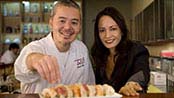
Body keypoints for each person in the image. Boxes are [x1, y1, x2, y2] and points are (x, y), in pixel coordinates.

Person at [14, 0, 95, 93]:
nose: (68, 27)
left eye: (74, 22)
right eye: (62, 21)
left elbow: (89, 84)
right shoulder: (35, 48)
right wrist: (33, 59)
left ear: (80, 26)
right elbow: (21, 72)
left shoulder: (81, 48)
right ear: (51, 22)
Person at [91, 7, 150, 96]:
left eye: (113, 29)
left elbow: (141, 71)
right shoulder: (97, 53)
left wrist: (131, 84)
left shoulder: (136, 49)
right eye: (102, 30)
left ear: (121, 31)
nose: (107, 35)